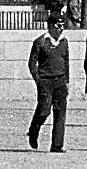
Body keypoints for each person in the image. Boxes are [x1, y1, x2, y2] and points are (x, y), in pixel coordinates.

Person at [27, 13, 69, 153]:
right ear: (51, 26)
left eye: (63, 26)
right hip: (45, 81)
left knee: (60, 113)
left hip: (60, 81)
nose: (61, 29)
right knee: (44, 111)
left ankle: (57, 145)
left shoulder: (64, 42)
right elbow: (32, 63)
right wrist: (38, 80)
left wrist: (67, 81)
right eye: (58, 25)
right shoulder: (40, 42)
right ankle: (34, 131)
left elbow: (66, 63)